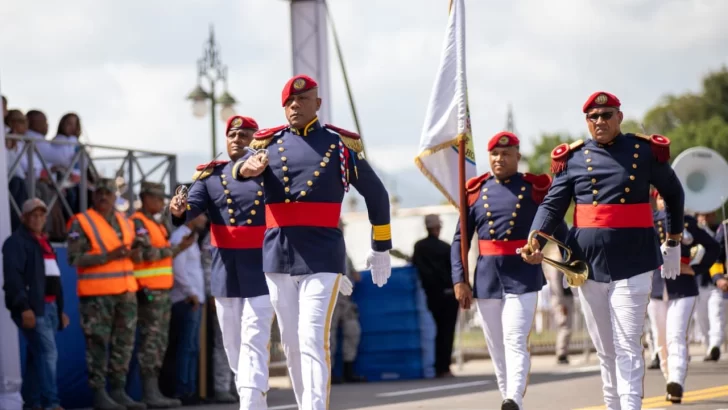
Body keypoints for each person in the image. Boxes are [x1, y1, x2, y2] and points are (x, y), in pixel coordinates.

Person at [235, 74, 392, 409]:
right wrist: (244, 170)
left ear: (317, 104)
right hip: (278, 254)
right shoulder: (266, 146)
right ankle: (305, 402)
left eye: (303, 100)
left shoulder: (339, 146)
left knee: (312, 336)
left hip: (323, 256)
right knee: (291, 343)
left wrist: (381, 246)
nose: (295, 105)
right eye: (290, 102)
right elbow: (237, 172)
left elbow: (376, 194)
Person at [520, 91, 685, 410]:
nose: (599, 121)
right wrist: (534, 241)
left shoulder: (645, 151)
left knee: (627, 343)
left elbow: (674, 194)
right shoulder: (573, 158)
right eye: (593, 117)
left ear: (619, 117)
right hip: (587, 264)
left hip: (635, 259)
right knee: (605, 348)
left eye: (606, 115)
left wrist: (674, 239)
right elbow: (552, 206)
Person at [451, 131, 567, 410]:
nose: (499, 159)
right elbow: (460, 239)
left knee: (514, 338)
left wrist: (571, 264)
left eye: (505, 153)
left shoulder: (535, 188)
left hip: (523, 273)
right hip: (487, 277)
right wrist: (460, 279)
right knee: (496, 346)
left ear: (517, 155)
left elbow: (558, 229)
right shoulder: (475, 191)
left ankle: (513, 397)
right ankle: (509, 398)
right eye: (494, 154)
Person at [169, 115, 275, 408]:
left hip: (263, 268)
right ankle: (252, 392)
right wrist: (178, 209)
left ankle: (252, 401)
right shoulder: (212, 176)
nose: (237, 140)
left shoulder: (271, 172)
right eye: (232, 135)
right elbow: (188, 212)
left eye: (244, 136)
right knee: (232, 344)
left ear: (256, 140)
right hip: (226, 270)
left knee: (255, 336)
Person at [67, 178, 146, 410]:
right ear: (94, 196)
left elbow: (134, 255)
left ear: (115, 196)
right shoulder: (81, 222)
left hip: (126, 294)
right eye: (99, 193)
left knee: (124, 344)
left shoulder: (124, 221)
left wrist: (137, 252)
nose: (104, 197)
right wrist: (108, 257)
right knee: (98, 345)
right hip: (96, 297)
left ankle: (118, 391)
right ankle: (100, 394)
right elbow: (73, 258)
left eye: (108, 193)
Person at [648, 189, 719, 403]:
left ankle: (677, 381)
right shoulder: (649, 221)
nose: (664, 201)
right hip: (657, 287)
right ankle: (670, 378)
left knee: (676, 335)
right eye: (661, 197)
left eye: (667, 197)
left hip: (683, 287)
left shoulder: (686, 222)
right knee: (661, 340)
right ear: (656, 200)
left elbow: (714, 246)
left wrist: (696, 269)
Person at [3, 198, 69, 410]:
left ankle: (32, 403)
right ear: (23, 218)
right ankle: (52, 403)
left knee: (37, 355)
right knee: (48, 353)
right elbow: (13, 279)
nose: (38, 219)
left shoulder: (44, 242)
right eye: (33, 215)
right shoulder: (16, 242)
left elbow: (54, 279)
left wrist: (60, 310)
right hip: (33, 308)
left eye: (41, 215)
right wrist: (24, 308)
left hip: (48, 308)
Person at [131, 181, 192, 408]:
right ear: (145, 198)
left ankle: (153, 390)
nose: (160, 202)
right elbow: (146, 253)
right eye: (156, 198)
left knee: (158, 342)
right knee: (150, 342)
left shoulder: (154, 224)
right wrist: (178, 249)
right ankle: (148, 392)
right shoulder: (138, 223)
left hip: (160, 293)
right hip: (148, 292)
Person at [412, 214, 459, 378]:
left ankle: (436, 365)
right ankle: (444, 366)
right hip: (449, 294)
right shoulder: (446, 247)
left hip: (431, 295)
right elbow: (456, 269)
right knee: (447, 331)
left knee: (437, 330)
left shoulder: (419, 247)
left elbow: (416, 266)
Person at [330, 219, 366, 385]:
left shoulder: (343, 250)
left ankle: (348, 371)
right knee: (328, 336)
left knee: (352, 331)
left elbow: (354, 274)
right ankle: (328, 373)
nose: (342, 230)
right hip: (330, 298)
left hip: (346, 299)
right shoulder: (325, 247)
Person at [694, 211, 727, 361]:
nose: (706, 217)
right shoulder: (693, 230)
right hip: (702, 282)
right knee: (705, 317)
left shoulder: (722, 228)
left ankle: (715, 345)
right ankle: (711, 346)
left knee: (716, 314)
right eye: (704, 215)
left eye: (709, 214)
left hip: (714, 285)